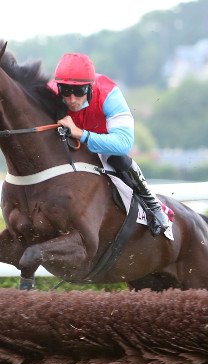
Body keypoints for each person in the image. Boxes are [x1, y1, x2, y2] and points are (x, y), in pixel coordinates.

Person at [48, 53, 170, 236]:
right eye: (65, 90)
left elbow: (123, 144)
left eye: (79, 91)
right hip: (67, 145)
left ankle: (153, 206)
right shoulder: (49, 92)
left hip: (104, 145)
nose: (72, 99)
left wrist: (81, 134)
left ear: (90, 87)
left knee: (118, 158)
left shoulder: (109, 93)